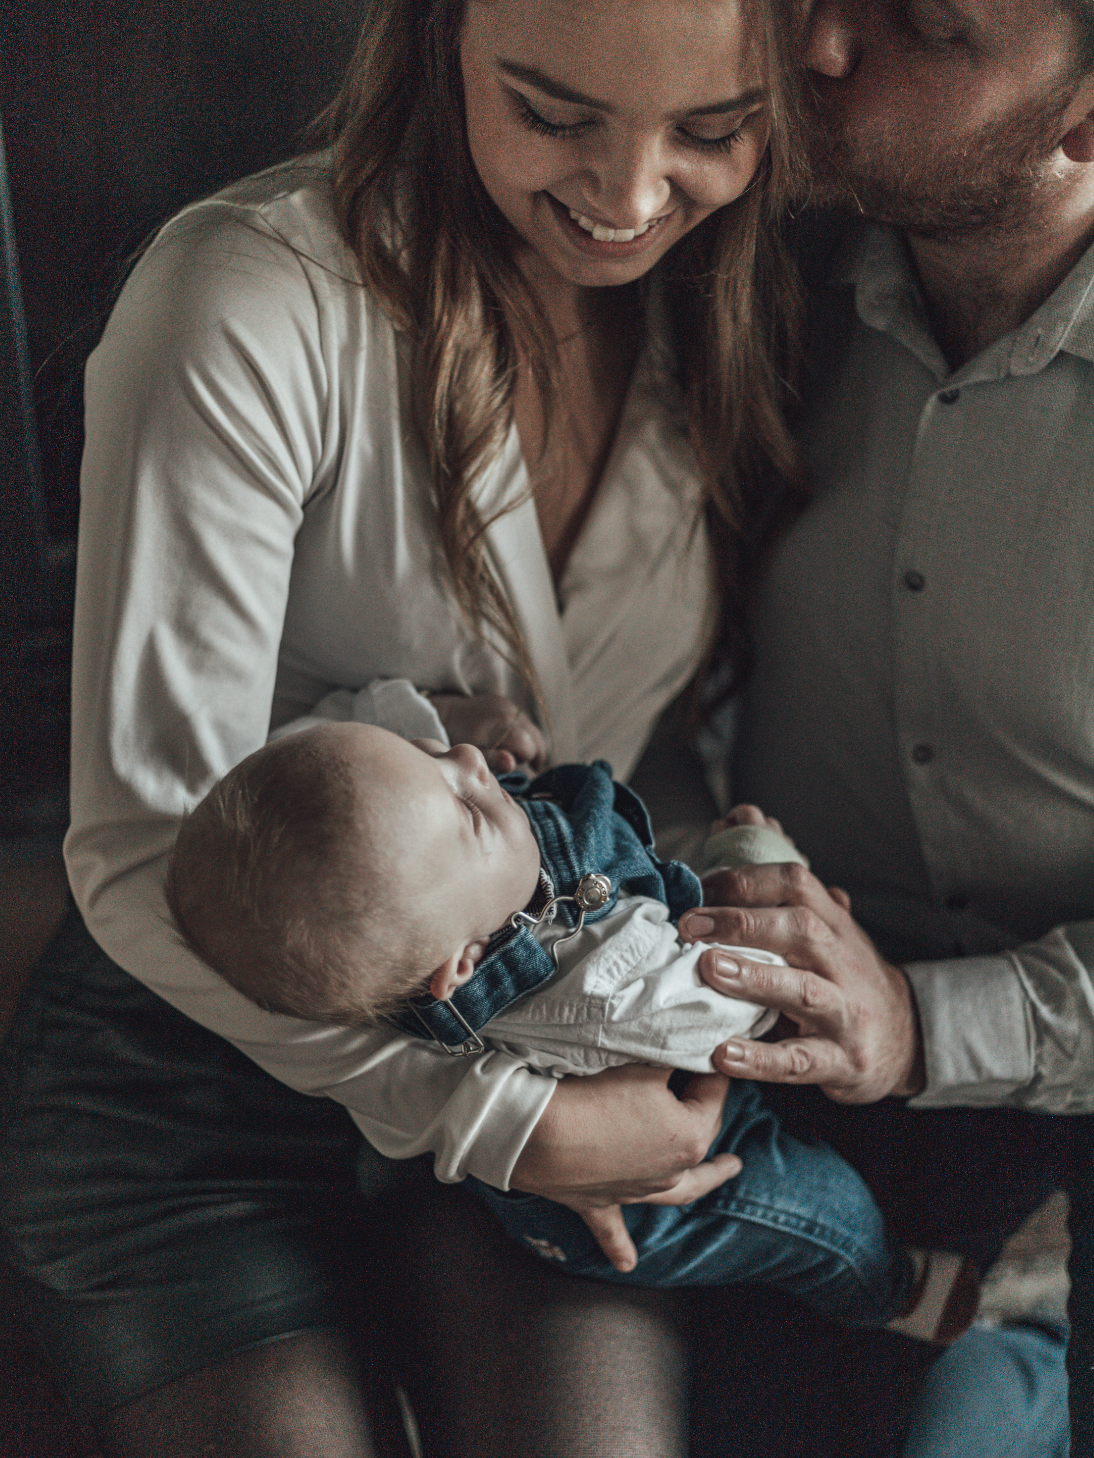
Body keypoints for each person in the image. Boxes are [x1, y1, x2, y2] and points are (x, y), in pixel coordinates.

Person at [0, 1, 816, 1455]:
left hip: (549, 1041)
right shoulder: (246, 297)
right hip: (189, 1058)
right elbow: (141, 851)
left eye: (709, 130)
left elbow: (640, 747)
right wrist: (488, 1116)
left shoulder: (733, 315)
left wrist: (722, 906)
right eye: (554, 113)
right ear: (436, 40)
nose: (630, 200)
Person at [667, 2, 1094, 1453]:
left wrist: (921, 1027)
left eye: (926, 26)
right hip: (763, 1041)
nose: (823, 48)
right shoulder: (736, 265)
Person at [164, 719, 979, 1342]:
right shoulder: (587, 989)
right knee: (815, 1205)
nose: (473, 764)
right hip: (634, 1191)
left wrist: (454, 715)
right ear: (468, 964)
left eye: (430, 748)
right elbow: (729, 1006)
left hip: (645, 1074)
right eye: (468, 805)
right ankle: (885, 1288)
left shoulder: (458, 885)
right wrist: (755, 857)